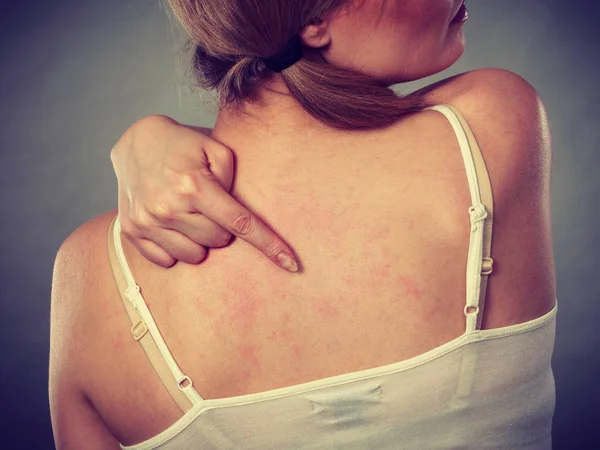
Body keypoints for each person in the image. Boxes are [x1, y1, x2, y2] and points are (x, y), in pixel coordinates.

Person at [49, 0, 558, 448]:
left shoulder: (89, 276)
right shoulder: (490, 125)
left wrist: (147, 134)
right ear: (313, 21)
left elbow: (288, 153)